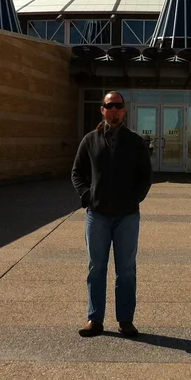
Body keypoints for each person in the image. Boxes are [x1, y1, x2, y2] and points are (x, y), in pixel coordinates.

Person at [70, 90, 153, 338]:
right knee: (96, 267)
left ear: (124, 111)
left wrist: (134, 198)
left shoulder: (136, 142)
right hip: (98, 216)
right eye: (110, 105)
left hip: (127, 216)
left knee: (126, 269)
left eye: (118, 105)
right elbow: (77, 173)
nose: (114, 109)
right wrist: (87, 197)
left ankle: (125, 320)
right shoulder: (90, 140)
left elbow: (145, 177)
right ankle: (94, 319)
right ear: (102, 110)